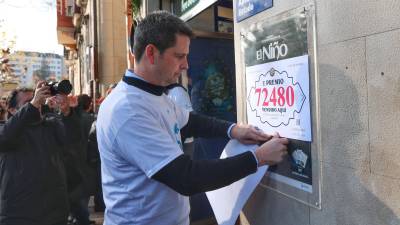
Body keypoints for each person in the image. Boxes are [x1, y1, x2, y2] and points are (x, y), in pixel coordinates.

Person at [96, 11, 289, 225]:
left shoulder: (154, 94)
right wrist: (258, 158)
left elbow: (191, 121)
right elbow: (186, 177)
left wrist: (234, 130)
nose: (186, 65)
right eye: (179, 56)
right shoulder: (128, 110)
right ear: (151, 53)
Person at [0, 82, 76, 225]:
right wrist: (33, 104)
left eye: (37, 99)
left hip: (54, 214)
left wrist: (67, 113)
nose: (37, 104)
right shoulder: (6, 130)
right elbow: (5, 137)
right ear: (11, 109)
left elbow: (74, 141)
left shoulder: (51, 125)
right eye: (27, 102)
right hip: (18, 215)